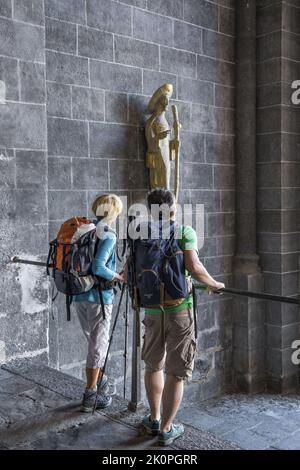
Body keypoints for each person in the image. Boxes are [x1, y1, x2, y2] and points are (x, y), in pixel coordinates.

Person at [139, 189, 225, 445]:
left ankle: (153, 419)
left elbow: (132, 268)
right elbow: (194, 266)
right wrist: (213, 283)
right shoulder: (184, 231)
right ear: (173, 207)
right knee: (176, 371)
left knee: (153, 364)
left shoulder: (141, 233)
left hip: (153, 308)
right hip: (179, 309)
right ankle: (167, 428)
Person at [73, 194, 125, 412]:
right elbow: (98, 268)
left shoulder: (82, 229)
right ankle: (90, 395)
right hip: (100, 299)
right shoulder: (108, 235)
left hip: (79, 294)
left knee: (93, 342)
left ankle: (100, 382)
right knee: (98, 345)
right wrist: (119, 277)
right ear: (114, 213)